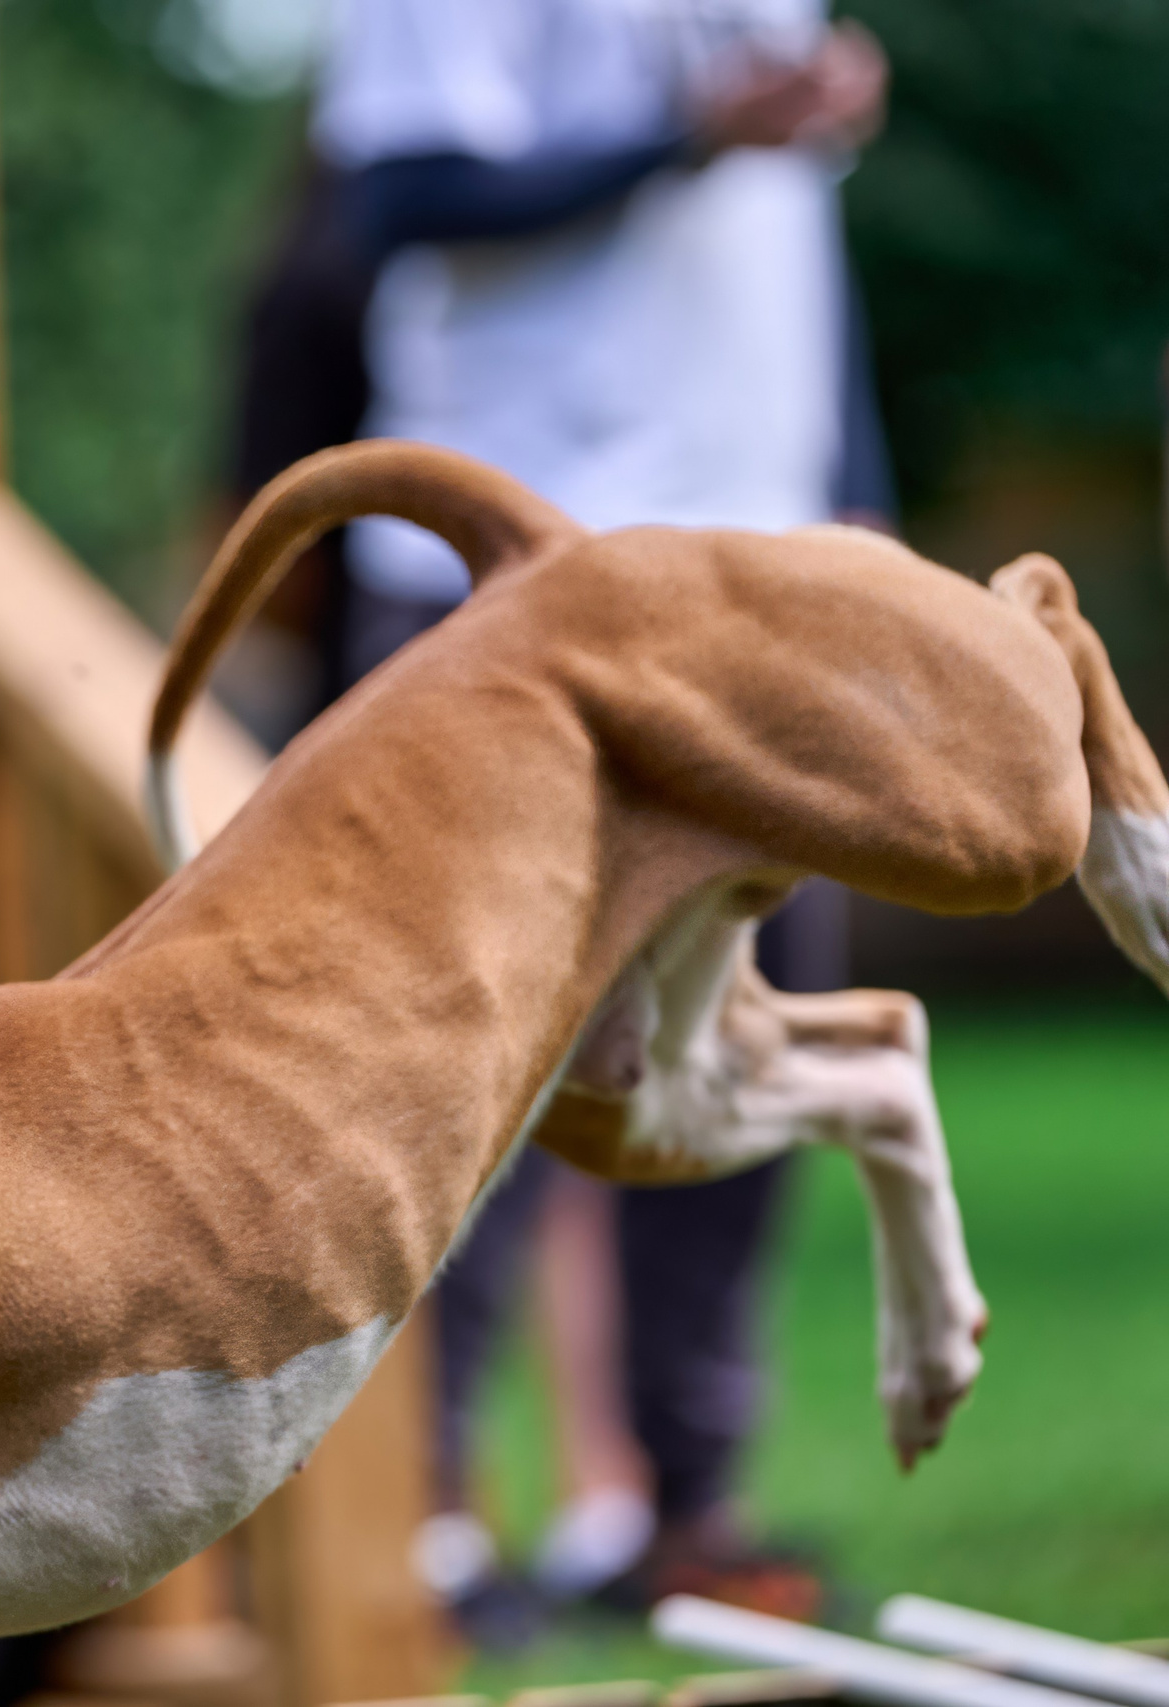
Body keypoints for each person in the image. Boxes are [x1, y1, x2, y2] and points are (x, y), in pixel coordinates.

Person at [313, 0, 894, 1634]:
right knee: (461, 1077)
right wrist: (696, 129)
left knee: (743, 1063)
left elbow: (791, 249)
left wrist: (857, 489)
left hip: (758, 574)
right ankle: (415, 1526)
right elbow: (398, 198)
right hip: (505, 581)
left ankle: (681, 1511)